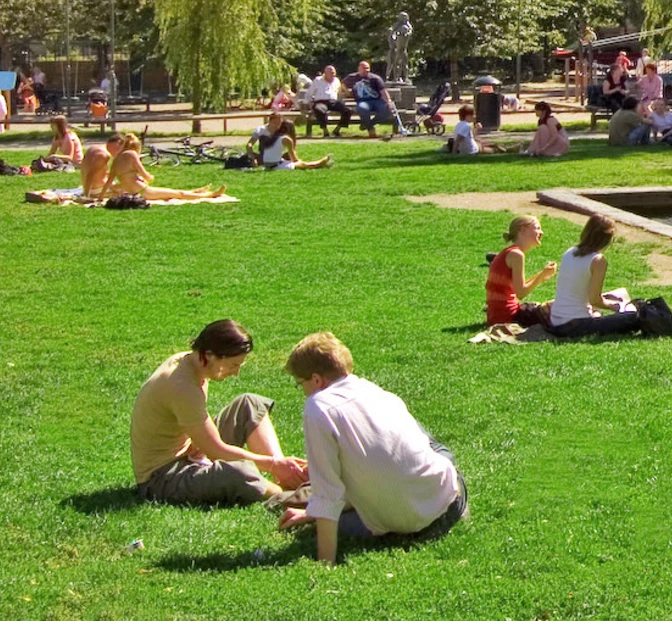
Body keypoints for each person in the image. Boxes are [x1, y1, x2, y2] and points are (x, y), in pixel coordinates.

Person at [276, 333, 467, 564]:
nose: (303, 390)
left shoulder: (318, 407)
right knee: (428, 445)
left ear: (316, 380)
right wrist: (310, 514)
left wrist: (325, 563)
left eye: (301, 384)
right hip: (449, 505)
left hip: (401, 525)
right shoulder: (374, 391)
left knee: (341, 517)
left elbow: (328, 492)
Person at [130, 319, 306, 506]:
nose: (236, 373)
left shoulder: (191, 362)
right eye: (232, 365)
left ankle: (287, 477)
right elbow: (216, 451)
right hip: (162, 478)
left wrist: (276, 464)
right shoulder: (182, 386)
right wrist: (271, 464)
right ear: (210, 355)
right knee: (239, 472)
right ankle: (287, 495)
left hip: (190, 453)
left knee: (250, 403)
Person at [104, 132, 224, 200]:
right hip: (141, 191)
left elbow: (109, 180)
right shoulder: (132, 154)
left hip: (132, 191)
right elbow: (145, 175)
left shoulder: (117, 159)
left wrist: (100, 196)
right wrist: (149, 177)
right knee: (177, 194)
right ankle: (209, 195)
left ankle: (195, 191)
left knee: (173, 192)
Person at [488, 215, 558, 327]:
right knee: (560, 307)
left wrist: (542, 275)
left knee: (554, 306)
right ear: (523, 230)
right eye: (537, 228)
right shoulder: (516, 255)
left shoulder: (510, 252)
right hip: (508, 316)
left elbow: (518, 288)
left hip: (498, 315)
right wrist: (541, 276)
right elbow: (520, 293)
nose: (541, 232)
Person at [253, 114, 332, 169]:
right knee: (303, 165)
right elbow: (294, 159)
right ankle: (321, 163)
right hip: (275, 165)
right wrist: (300, 162)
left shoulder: (274, 136)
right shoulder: (286, 139)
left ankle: (323, 163)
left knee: (296, 163)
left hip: (267, 165)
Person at [351, 61, 406, 137]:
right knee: (362, 108)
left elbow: (383, 92)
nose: (367, 70)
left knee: (386, 110)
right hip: (363, 101)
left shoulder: (375, 78)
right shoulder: (353, 77)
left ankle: (369, 124)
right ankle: (371, 129)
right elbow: (342, 83)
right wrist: (346, 91)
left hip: (377, 101)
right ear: (359, 69)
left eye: (368, 68)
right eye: (364, 68)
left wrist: (389, 102)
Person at [302, 66, 353, 136]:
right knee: (320, 110)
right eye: (331, 73)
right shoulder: (317, 80)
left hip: (333, 102)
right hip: (321, 101)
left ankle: (337, 130)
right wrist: (310, 104)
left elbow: (339, 93)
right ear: (325, 73)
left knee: (348, 110)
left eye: (334, 73)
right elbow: (309, 93)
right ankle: (325, 130)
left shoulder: (336, 80)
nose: (333, 75)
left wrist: (341, 103)